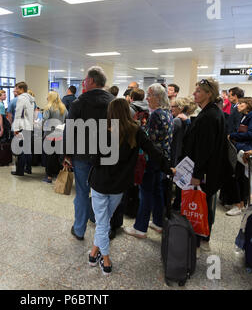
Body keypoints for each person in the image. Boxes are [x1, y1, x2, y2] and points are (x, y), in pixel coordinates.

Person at [88, 98, 174, 275]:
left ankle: (104, 260)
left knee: (102, 222)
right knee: (105, 220)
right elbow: (153, 151)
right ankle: (94, 253)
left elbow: (94, 160)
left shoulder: (102, 130)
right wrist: (168, 167)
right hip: (119, 185)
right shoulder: (136, 131)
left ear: (110, 112)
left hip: (100, 183)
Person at [63, 66, 115, 240]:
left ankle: (79, 229)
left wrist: (67, 155)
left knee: (82, 192)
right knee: (104, 193)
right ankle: (104, 230)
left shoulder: (79, 103)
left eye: (85, 79)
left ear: (91, 81)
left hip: (82, 155)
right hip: (107, 155)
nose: (84, 82)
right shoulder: (114, 102)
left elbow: (70, 130)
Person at [180, 78, 228, 255]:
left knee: (200, 206)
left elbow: (204, 149)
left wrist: (197, 173)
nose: (194, 93)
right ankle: (201, 237)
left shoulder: (209, 116)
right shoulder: (211, 112)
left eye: (199, 91)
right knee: (203, 204)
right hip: (208, 170)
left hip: (204, 171)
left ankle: (200, 239)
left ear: (209, 94)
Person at [124, 83, 173, 239]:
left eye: (150, 95)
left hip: (151, 159)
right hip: (162, 158)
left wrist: (139, 129)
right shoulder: (168, 112)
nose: (147, 98)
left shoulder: (156, 114)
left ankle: (140, 228)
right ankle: (158, 222)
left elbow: (148, 139)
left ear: (158, 98)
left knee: (145, 193)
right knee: (157, 191)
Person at [226, 97, 252, 216]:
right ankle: (239, 204)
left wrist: (233, 136)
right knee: (238, 177)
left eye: (241, 103)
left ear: (248, 104)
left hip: (246, 151)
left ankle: (239, 205)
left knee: (240, 178)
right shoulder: (246, 116)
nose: (238, 105)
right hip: (241, 149)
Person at [42, 91, 67, 183]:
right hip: (60, 134)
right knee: (58, 155)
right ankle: (57, 174)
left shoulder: (48, 108)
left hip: (50, 135)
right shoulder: (63, 108)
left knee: (49, 156)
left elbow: (45, 120)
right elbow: (67, 120)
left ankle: (48, 176)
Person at [11, 82, 36, 176]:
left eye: (16, 88)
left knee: (20, 150)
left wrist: (15, 128)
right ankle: (28, 168)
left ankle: (19, 171)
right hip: (29, 126)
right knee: (27, 149)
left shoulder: (21, 98)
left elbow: (18, 113)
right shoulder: (31, 99)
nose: (15, 90)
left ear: (21, 89)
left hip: (22, 126)